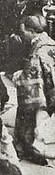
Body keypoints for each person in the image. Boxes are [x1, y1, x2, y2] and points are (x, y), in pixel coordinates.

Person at [13, 14, 55, 166]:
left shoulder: (37, 51)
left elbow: (31, 80)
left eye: (23, 32)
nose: (21, 35)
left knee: (32, 116)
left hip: (44, 96)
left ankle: (32, 149)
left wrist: (18, 77)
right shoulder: (49, 42)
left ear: (31, 31)